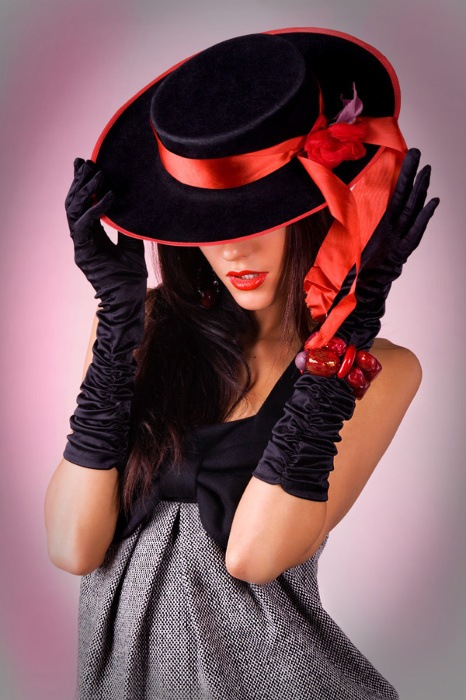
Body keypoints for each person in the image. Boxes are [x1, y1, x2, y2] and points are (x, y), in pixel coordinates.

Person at [44, 27, 439, 700]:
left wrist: (349, 323)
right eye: (208, 225)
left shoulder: (376, 369)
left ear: (309, 209)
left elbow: (256, 555)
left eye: (256, 217)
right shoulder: (139, 328)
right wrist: (117, 322)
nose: (232, 251)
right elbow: (72, 546)